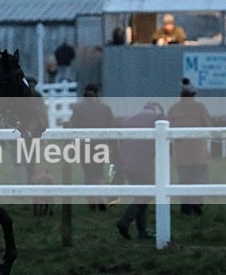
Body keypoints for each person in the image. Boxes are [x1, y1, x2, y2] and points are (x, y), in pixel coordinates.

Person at [115, 102, 165, 240]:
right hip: (143, 162)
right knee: (147, 194)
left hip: (127, 163)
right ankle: (125, 221)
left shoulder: (128, 119)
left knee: (140, 195)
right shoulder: (157, 116)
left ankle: (142, 231)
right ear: (156, 108)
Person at [167, 78, 212, 216]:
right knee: (198, 177)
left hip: (181, 152)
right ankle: (197, 201)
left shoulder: (173, 109)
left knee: (183, 178)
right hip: (198, 151)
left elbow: (168, 129)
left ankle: (185, 206)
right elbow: (208, 126)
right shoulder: (200, 107)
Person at [67, 83, 114, 211]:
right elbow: (111, 127)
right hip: (101, 145)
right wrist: (110, 145)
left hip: (84, 146)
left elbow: (73, 126)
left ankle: (92, 201)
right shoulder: (105, 108)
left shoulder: (79, 109)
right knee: (99, 173)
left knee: (88, 173)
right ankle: (102, 199)